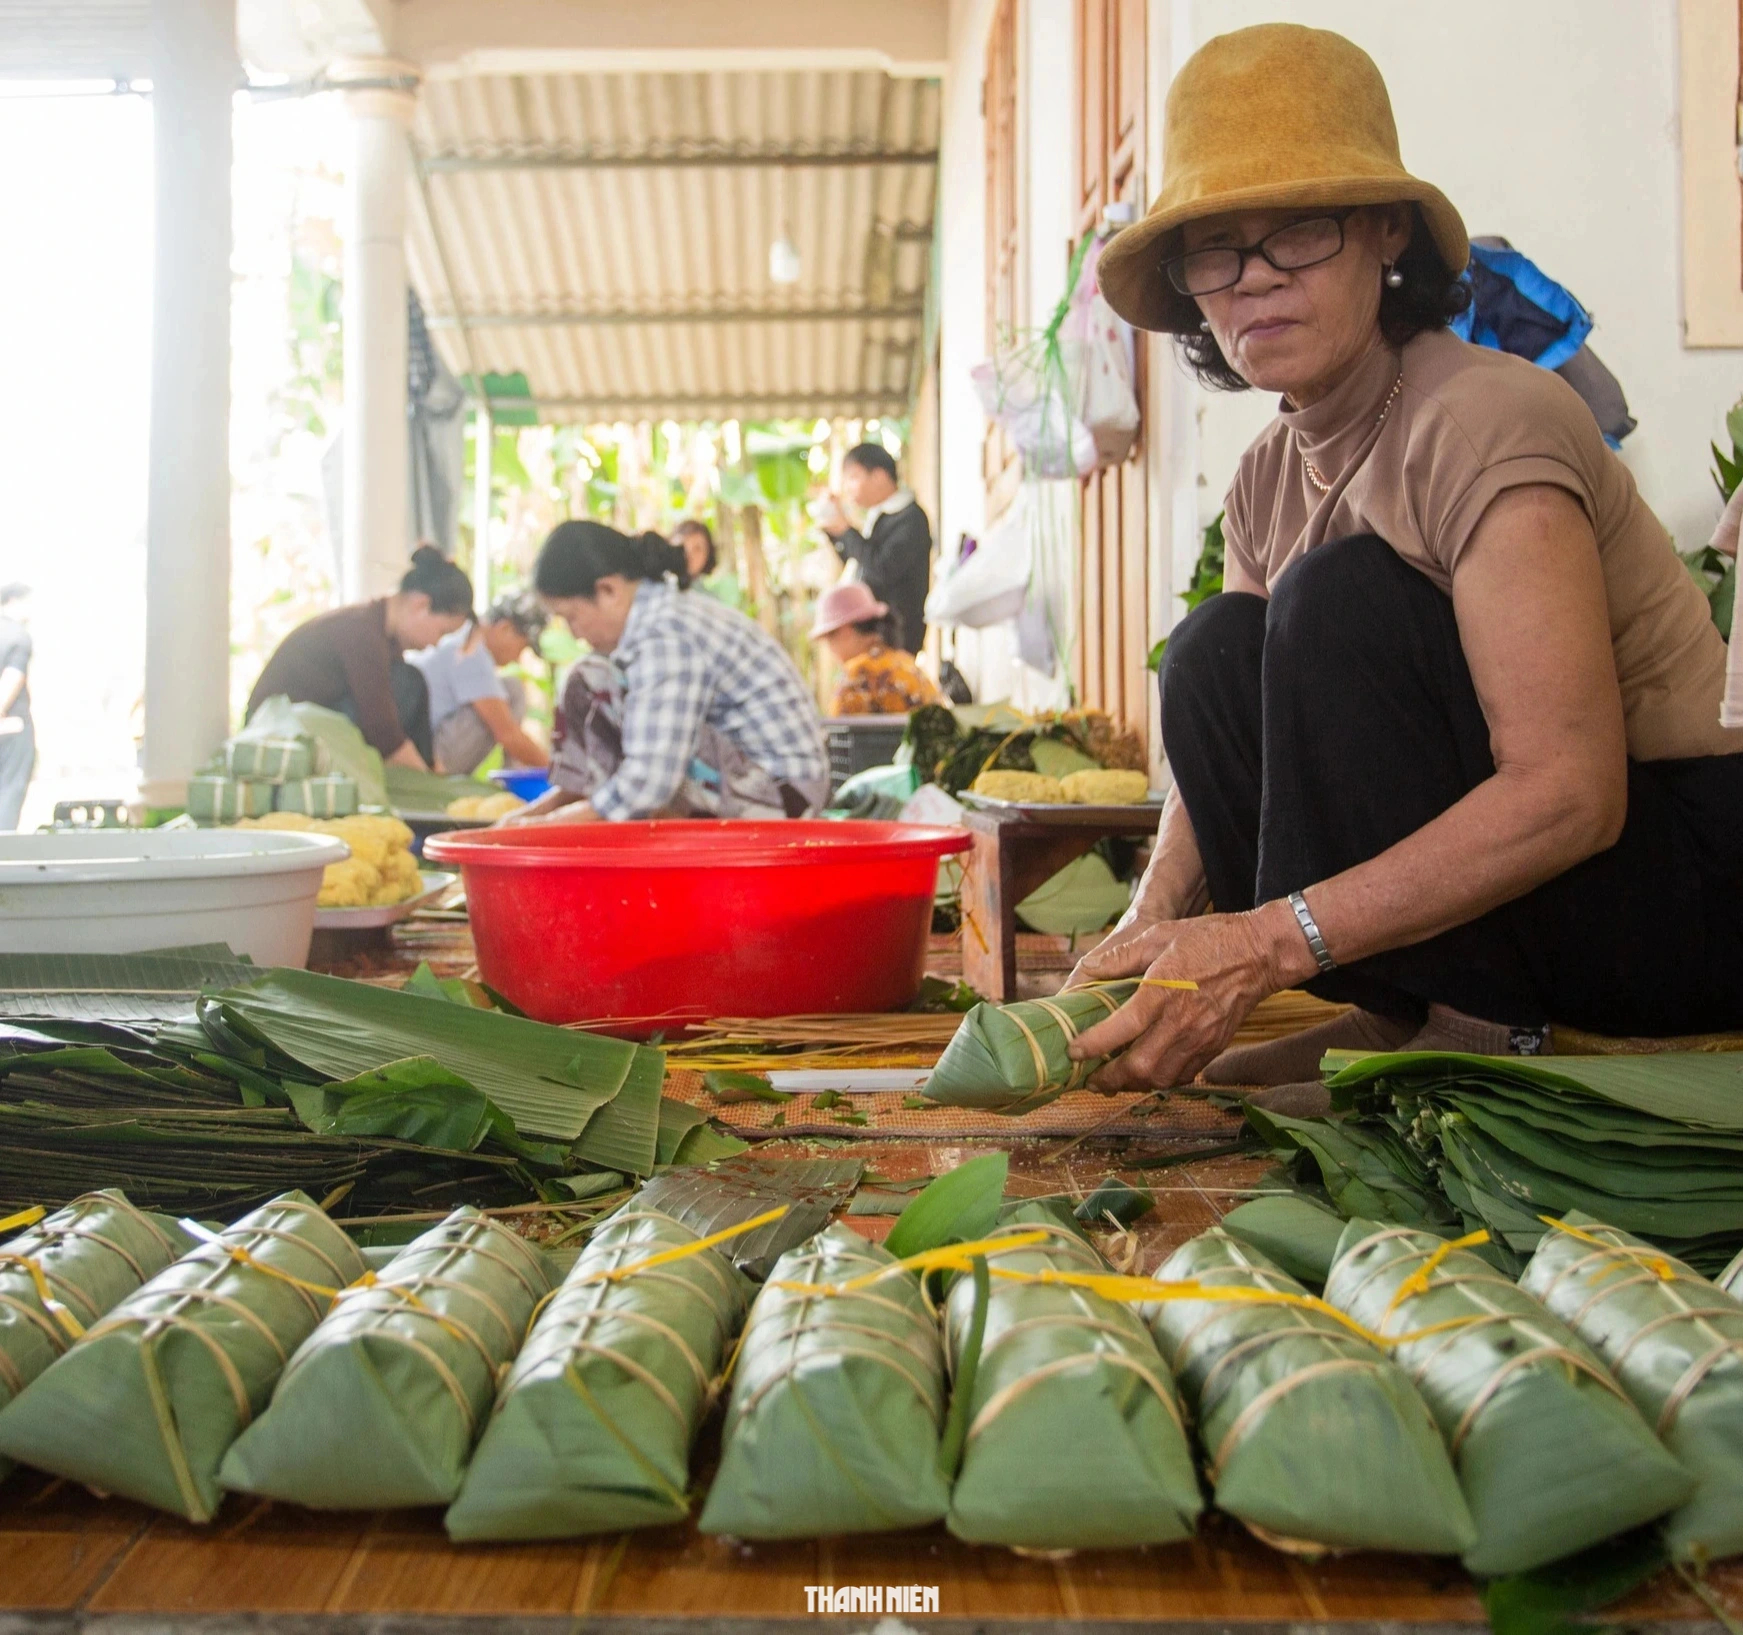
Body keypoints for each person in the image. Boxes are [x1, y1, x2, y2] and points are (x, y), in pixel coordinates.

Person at [1062, 22, 1743, 1099]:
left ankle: (1479, 1032)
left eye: (1300, 234)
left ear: (1386, 235)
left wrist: (1273, 943)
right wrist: (1150, 921)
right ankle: (1403, 1014)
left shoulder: (1485, 418)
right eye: (1219, 250)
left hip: (1681, 892)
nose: (1255, 281)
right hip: (1544, 895)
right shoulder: (1268, 476)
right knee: (1213, 648)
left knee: (1341, 600)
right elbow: (1232, 737)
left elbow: (1573, 795)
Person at [510, 521, 828, 823]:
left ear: (608, 590)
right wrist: (538, 815)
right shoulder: (655, 620)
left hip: (779, 800)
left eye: (571, 617)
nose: (574, 633)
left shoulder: (665, 634)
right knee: (587, 677)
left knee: (601, 691)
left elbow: (649, 780)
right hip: (743, 781)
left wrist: (550, 828)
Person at [247, 547, 472, 769]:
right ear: (420, 605)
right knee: (406, 683)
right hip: (277, 735)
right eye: (442, 632)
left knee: (411, 681)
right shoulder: (361, 632)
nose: (435, 644)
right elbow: (383, 732)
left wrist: (434, 770)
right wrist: (431, 787)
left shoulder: (382, 635)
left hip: (311, 724)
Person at [410, 592, 550, 775]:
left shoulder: (464, 636)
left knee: (509, 687)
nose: (517, 658)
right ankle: (512, 779)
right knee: (511, 691)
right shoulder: (471, 650)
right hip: (425, 755)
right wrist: (559, 773)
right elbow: (508, 735)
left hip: (422, 742)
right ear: (504, 628)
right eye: (521, 647)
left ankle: (514, 774)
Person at [818, 444, 933, 654]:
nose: (848, 487)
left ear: (879, 476)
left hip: (895, 637)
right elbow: (861, 563)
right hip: (875, 637)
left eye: (854, 477)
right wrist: (836, 533)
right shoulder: (881, 517)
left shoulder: (910, 518)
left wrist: (847, 531)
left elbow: (881, 568)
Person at [810, 581, 942, 717]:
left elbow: (837, 733)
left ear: (845, 631)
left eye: (830, 639)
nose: (831, 650)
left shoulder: (858, 677)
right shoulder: (906, 663)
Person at [0, 583, 35, 831]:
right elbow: (12, 679)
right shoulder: (16, 636)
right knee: (9, 793)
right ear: (14, 601)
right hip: (11, 729)